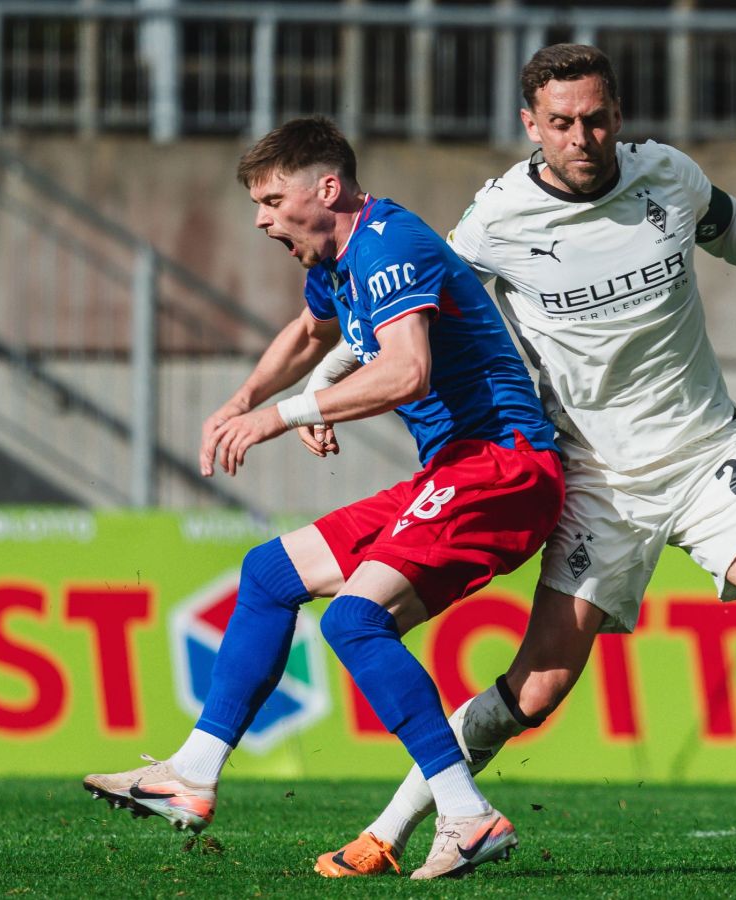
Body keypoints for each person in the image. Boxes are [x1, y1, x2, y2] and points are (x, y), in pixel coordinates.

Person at [307, 44, 736, 882]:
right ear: (531, 125)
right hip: (597, 482)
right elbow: (411, 303)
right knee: (535, 690)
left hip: (707, 451)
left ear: (618, 113)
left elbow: (724, 220)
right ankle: (390, 828)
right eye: (562, 123)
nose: (582, 137)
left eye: (596, 119)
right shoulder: (496, 220)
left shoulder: (666, 174)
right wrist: (326, 382)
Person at [82, 116, 566, 880]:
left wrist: (284, 414)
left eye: (272, 200)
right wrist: (241, 401)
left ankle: (467, 814)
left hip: (503, 469)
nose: (261, 219)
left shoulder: (389, 244)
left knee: (352, 621)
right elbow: (311, 334)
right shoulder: (339, 262)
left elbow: (406, 370)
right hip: (455, 471)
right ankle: (193, 774)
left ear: (328, 188)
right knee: (269, 575)